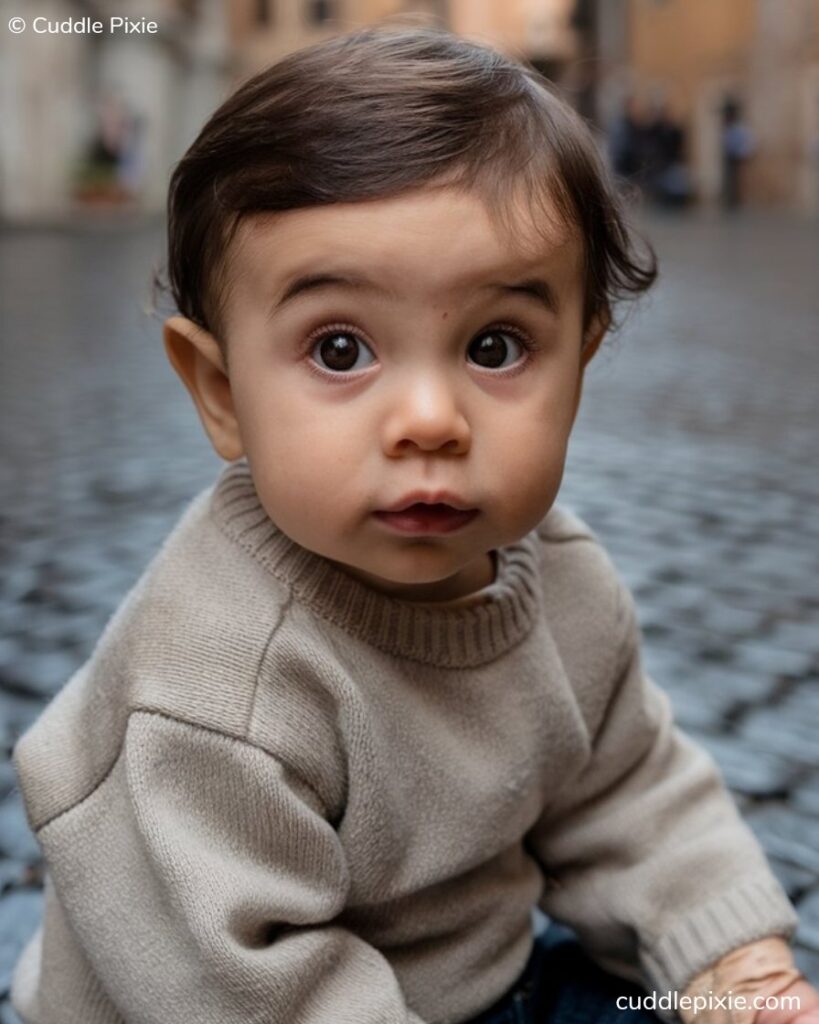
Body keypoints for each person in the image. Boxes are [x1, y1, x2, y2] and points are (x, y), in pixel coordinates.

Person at [9, 25, 819, 1024]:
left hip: (481, 979)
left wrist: (730, 958)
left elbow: (628, 795)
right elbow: (237, 980)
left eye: (495, 344)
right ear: (220, 391)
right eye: (341, 348)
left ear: (581, 364)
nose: (430, 420)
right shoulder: (216, 681)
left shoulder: (562, 581)